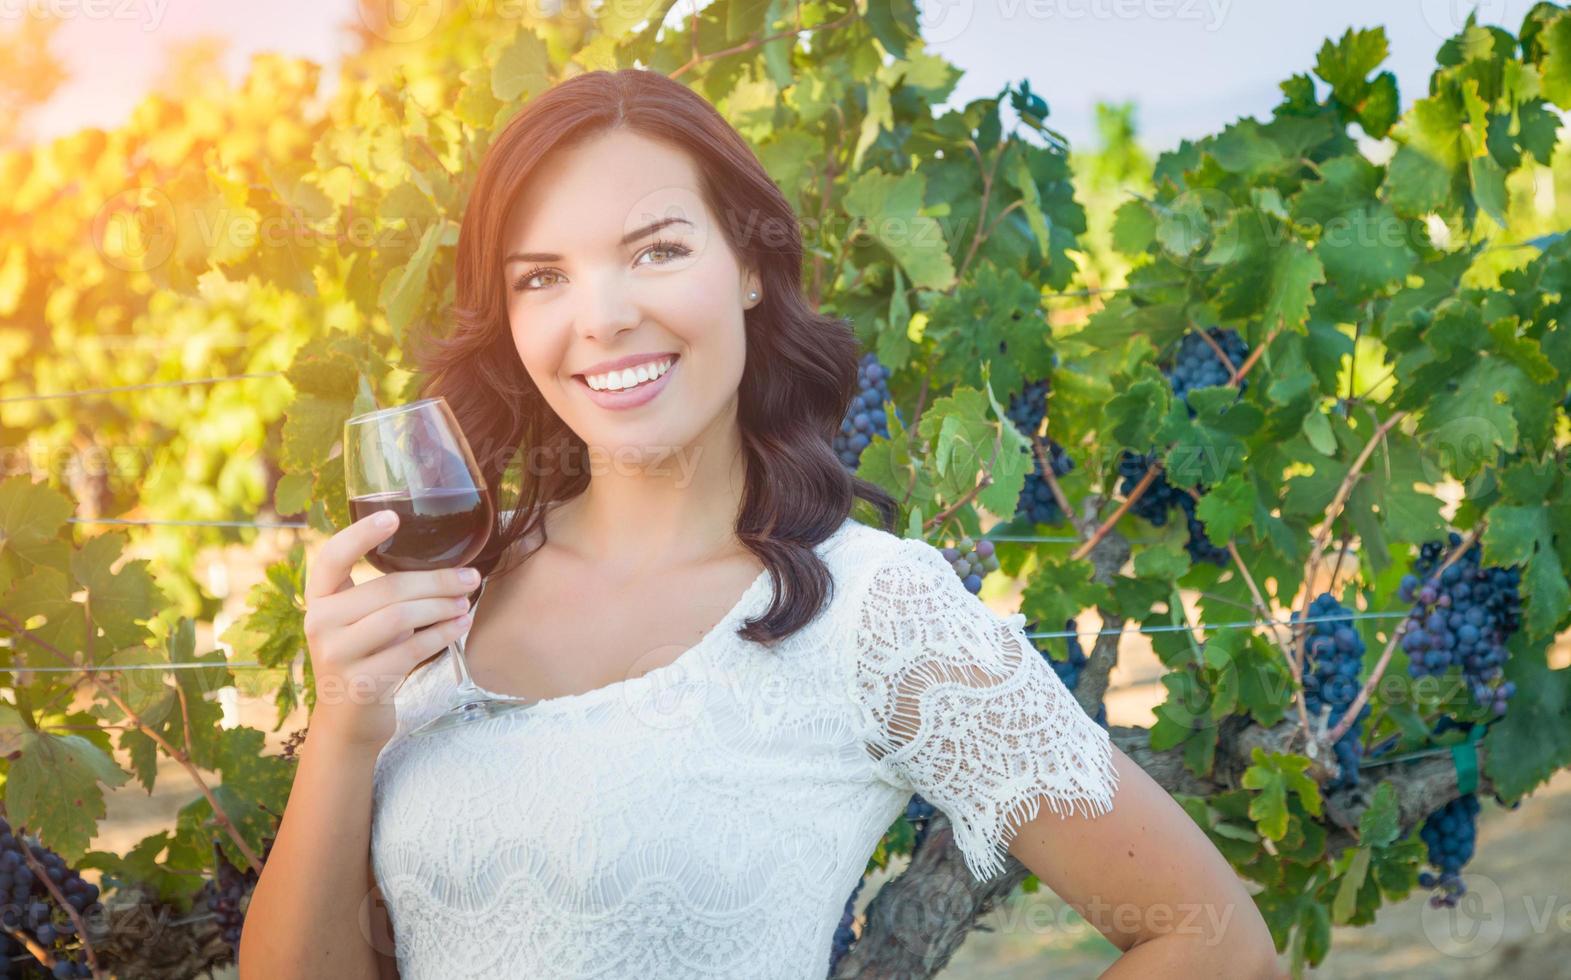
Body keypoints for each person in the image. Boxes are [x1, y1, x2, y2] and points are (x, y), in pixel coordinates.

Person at [240, 68, 1278, 979]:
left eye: (652, 250)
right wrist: (343, 726)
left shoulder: (875, 610)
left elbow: (1214, 943)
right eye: (542, 275)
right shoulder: (447, 598)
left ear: (745, 263)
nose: (599, 314)